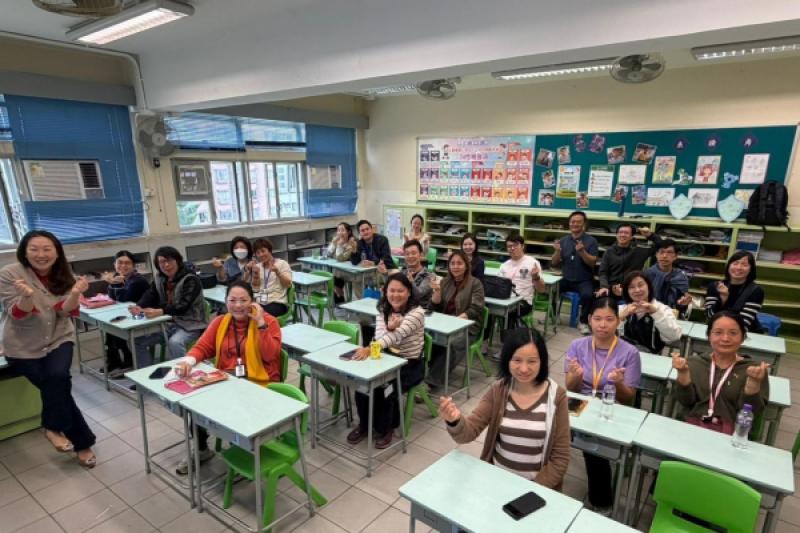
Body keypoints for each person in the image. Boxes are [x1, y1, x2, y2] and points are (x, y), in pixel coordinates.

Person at [0, 230, 97, 468]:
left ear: (57, 252)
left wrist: (75, 293)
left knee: (58, 375)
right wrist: (26, 297)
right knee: (57, 388)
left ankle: (52, 427)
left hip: (58, 336)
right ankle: (82, 443)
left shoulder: (65, 274)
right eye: (34, 249)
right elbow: (18, 315)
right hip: (22, 346)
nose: (41, 254)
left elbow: (65, 312)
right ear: (24, 252)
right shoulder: (9, 274)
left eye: (47, 249)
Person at [172, 280, 282, 474]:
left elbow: (270, 355)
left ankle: (243, 448)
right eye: (232, 300)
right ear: (226, 302)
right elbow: (203, 347)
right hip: (227, 379)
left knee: (234, 408)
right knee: (194, 405)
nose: (238, 305)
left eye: (243, 300)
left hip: (259, 382)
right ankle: (201, 449)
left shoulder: (269, 322)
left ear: (253, 302)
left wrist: (261, 324)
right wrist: (188, 361)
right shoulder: (220, 322)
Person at [439, 328, 570, 489]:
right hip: (497, 481)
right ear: (507, 360)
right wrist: (454, 420)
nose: (523, 369)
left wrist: (533, 490)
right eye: (517, 360)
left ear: (542, 362)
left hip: (535, 489)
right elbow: (468, 433)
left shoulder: (557, 397)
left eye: (532, 361)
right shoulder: (498, 391)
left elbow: (561, 457)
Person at [564, 297, 641, 514]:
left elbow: (628, 398)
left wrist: (618, 383)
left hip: (610, 405)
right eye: (597, 319)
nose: (603, 325)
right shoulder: (577, 345)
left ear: (618, 321)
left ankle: (602, 503)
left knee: (593, 446)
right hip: (580, 402)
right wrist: (576, 376)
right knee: (549, 426)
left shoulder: (630, 352)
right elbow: (570, 388)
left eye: (609, 319)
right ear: (589, 319)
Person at [347, 273, 425, 449]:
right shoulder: (383, 309)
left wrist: (371, 346)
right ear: (385, 291)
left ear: (409, 292)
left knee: (386, 389)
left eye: (400, 291)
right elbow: (380, 336)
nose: (395, 295)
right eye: (392, 290)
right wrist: (388, 328)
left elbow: (395, 337)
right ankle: (365, 424)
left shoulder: (417, 313)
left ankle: (386, 428)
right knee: (363, 384)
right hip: (387, 357)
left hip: (410, 364)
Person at [673, 311, 769, 434]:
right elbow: (685, 402)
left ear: (743, 338)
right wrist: (683, 374)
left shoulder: (753, 370)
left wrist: (753, 384)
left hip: (732, 434)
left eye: (733, 333)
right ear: (709, 336)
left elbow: (753, 411)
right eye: (718, 333)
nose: (725, 338)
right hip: (691, 428)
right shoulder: (693, 363)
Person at [131, 246, 208, 367]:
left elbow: (182, 306)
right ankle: (146, 374)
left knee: (174, 343)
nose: (166, 265)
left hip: (191, 325)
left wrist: (161, 311)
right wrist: (138, 306)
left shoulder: (190, 279)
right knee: (137, 341)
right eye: (162, 262)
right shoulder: (160, 277)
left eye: (170, 260)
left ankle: (183, 373)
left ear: (177, 260)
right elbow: (150, 294)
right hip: (168, 324)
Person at [428, 250, 485, 388]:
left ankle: (432, 380)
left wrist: (456, 322)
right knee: (426, 339)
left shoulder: (475, 283)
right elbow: (435, 307)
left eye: (459, 263)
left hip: (467, 327)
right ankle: (429, 370)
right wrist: (437, 291)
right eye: (452, 263)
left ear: (466, 265)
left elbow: (476, 308)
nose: (455, 266)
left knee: (452, 344)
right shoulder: (445, 281)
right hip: (444, 325)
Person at [101, 250, 150, 377]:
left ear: (133, 265)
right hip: (129, 314)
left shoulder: (137, 281)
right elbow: (112, 298)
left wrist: (114, 284)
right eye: (120, 262)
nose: (123, 266)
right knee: (110, 324)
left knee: (115, 325)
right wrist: (113, 284)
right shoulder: (120, 278)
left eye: (127, 263)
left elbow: (123, 300)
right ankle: (116, 360)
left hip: (143, 317)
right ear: (114, 264)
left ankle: (127, 361)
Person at [551, 211, 598, 334]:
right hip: (566, 278)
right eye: (573, 221)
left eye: (578, 222)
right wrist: (557, 251)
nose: (575, 224)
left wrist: (582, 252)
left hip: (584, 279)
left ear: (584, 224)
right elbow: (554, 262)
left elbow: (592, 262)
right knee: (552, 290)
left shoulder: (591, 241)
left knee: (588, 295)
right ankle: (555, 316)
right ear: (569, 223)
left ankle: (583, 321)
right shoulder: (563, 240)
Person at [619, 271, 682, 354]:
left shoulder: (662, 309)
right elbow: (608, 336)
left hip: (651, 357)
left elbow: (674, 337)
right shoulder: (622, 309)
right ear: (627, 291)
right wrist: (620, 317)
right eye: (631, 287)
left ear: (648, 286)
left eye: (640, 285)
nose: (637, 290)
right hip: (624, 354)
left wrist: (656, 313)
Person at [596, 224, 662, 301]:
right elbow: (603, 272)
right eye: (620, 232)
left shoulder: (640, 251)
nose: (623, 235)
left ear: (631, 237)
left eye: (626, 233)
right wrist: (604, 286)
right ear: (616, 235)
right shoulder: (609, 252)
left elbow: (661, 245)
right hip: (612, 289)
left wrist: (650, 235)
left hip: (633, 290)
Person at [704, 251, 764, 333]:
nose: (739, 267)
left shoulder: (756, 291)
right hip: (718, 330)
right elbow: (709, 316)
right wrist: (722, 299)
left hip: (745, 333)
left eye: (744, 265)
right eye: (735, 263)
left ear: (751, 269)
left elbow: (743, 324)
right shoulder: (714, 286)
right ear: (729, 266)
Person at [499, 232, 545, 327]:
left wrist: (536, 277)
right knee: (488, 310)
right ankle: (487, 334)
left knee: (509, 313)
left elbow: (541, 290)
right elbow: (499, 286)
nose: (512, 248)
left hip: (524, 301)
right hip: (506, 299)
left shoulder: (532, 263)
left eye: (515, 245)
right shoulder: (504, 265)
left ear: (522, 246)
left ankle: (509, 335)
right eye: (509, 246)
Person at [243, 238, 293, 317]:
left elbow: (288, 284)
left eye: (263, 251)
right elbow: (249, 286)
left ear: (269, 251)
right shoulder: (257, 267)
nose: (261, 255)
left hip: (277, 302)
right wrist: (248, 271)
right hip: (260, 301)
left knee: (258, 315)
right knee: (243, 312)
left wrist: (278, 272)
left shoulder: (282, 264)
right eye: (258, 253)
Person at [646, 238, 692, 311]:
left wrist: (683, 304)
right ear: (656, 255)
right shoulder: (646, 275)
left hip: (671, 313)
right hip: (648, 311)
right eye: (661, 252)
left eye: (669, 252)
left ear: (675, 256)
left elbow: (680, 306)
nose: (664, 256)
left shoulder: (681, 277)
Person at [326, 222, 358, 302]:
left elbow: (341, 259)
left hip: (351, 271)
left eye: (343, 230)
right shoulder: (337, 240)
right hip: (339, 270)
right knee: (330, 277)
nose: (340, 233)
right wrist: (333, 244)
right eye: (338, 230)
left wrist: (339, 246)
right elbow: (328, 254)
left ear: (349, 232)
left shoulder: (352, 242)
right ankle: (339, 298)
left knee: (335, 278)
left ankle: (339, 298)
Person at [401, 239, 435, 308]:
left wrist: (411, 282)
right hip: (404, 309)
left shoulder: (429, 275)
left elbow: (419, 295)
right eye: (407, 254)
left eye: (413, 253)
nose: (410, 256)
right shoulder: (403, 273)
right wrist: (385, 274)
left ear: (421, 255)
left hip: (421, 311)